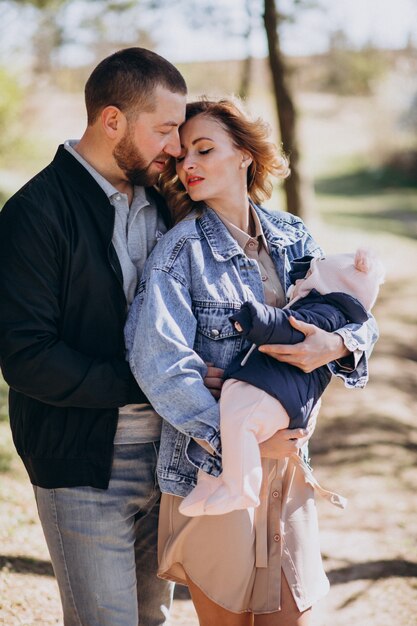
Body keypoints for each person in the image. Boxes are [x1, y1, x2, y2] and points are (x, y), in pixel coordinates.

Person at [125, 98, 379, 626]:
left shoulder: (293, 236)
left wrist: (336, 347)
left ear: (244, 154)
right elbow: (158, 361)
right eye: (182, 156)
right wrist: (237, 443)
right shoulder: (178, 253)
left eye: (204, 149)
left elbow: (353, 310)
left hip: (288, 469)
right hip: (213, 474)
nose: (187, 164)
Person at [0, 47, 191, 626]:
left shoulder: (166, 200)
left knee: (151, 619)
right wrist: (152, 380)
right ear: (112, 121)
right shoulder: (34, 214)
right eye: (164, 129)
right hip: (84, 464)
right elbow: (26, 355)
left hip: (171, 460)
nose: (176, 147)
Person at [179, 248, 385, 517]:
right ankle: (208, 487)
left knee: (239, 422)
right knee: (229, 421)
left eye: (311, 274)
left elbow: (288, 326)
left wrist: (254, 319)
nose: (302, 279)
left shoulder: (323, 311)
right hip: (263, 384)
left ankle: (240, 488)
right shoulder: (324, 307)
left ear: (326, 284)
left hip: (272, 393)